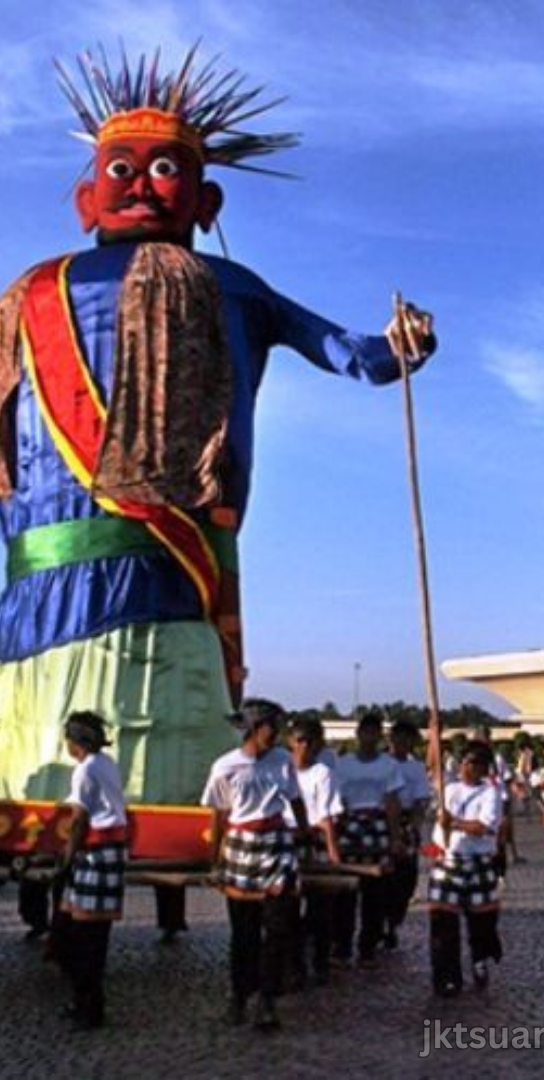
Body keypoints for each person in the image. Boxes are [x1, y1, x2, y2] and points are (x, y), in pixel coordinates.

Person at [0, 44, 435, 805]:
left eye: (166, 169)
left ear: (206, 203)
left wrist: (400, 345)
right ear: (85, 199)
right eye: (122, 170)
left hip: (183, 541)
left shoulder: (233, 287)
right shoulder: (31, 292)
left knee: (174, 695)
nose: (140, 186)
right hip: (41, 555)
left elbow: (351, 355)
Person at [202, 698, 305, 1031]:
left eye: (276, 726)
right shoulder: (225, 767)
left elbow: (294, 799)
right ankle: (239, 996)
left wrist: (302, 835)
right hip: (240, 848)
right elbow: (219, 815)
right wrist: (215, 859)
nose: (274, 733)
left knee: (276, 931)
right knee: (243, 931)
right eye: (268, 727)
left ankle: (267, 1001)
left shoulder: (282, 760)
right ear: (252, 729)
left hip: (276, 847)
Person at [52, 711, 127, 1031]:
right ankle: (83, 1000)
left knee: (88, 937)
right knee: (80, 930)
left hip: (96, 851)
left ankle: (91, 1007)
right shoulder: (106, 763)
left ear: (75, 742)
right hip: (107, 850)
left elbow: (80, 820)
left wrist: (66, 858)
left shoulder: (84, 771)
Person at [428, 741, 504, 997]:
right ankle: (447, 977)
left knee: (481, 923)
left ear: (483, 767)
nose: (465, 768)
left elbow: (484, 826)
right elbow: (432, 764)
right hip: (448, 861)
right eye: (463, 762)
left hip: (478, 862)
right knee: (442, 924)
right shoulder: (448, 789)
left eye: (472, 763)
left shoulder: (490, 793)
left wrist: (455, 823)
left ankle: (479, 960)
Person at [333, 712, 404, 967]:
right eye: (366, 732)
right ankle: (342, 944)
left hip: (377, 825)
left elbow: (392, 801)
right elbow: (336, 799)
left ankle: (367, 947)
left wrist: (395, 837)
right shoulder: (343, 764)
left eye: (375, 733)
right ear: (358, 734)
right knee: (346, 890)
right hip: (350, 824)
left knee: (375, 891)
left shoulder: (389, 766)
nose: (369, 738)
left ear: (379, 736)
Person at [285, 715, 342, 988]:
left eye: (311, 741)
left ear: (319, 745)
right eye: (300, 741)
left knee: (320, 909)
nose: (304, 747)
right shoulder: (281, 770)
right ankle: (294, 966)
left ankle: (320, 963)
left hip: (314, 843)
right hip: (284, 844)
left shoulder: (323, 774)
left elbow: (328, 816)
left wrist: (333, 853)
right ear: (291, 742)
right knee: (287, 911)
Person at [384, 719, 432, 948]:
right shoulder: (381, 764)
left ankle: (394, 920)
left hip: (407, 819)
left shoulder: (416, 768)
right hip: (381, 821)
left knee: (406, 876)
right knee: (383, 876)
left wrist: (414, 825)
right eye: (397, 738)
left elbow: (421, 800)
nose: (400, 743)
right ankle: (380, 922)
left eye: (406, 739)